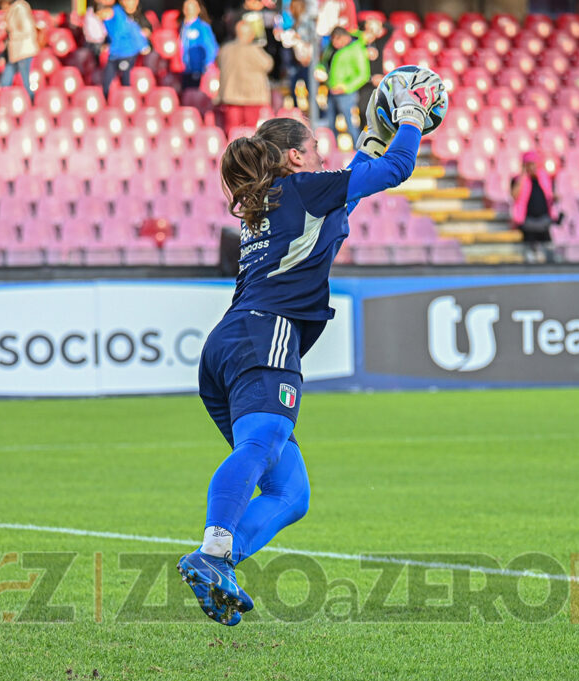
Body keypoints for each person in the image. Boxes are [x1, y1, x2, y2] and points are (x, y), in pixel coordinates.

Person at [175, 73, 439, 627]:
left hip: (231, 343)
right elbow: (393, 170)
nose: (322, 157)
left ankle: (220, 564)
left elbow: (339, 214)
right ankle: (212, 551)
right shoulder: (301, 189)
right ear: (296, 158)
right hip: (263, 335)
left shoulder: (275, 198)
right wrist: (412, 116)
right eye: (315, 148)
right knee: (266, 440)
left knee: (290, 492)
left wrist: (370, 139)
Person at [216, 19, 273, 132]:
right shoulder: (254, 50)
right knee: (250, 133)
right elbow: (268, 64)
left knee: (232, 132)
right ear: (250, 34)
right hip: (252, 98)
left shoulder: (225, 50)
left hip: (230, 97)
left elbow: (218, 64)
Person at [316, 26, 369, 142]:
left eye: (337, 40)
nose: (335, 43)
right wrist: (320, 69)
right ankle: (333, 147)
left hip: (346, 93)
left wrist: (345, 87)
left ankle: (357, 148)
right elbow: (324, 62)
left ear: (345, 38)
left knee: (350, 123)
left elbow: (363, 74)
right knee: (330, 121)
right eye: (333, 40)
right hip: (331, 89)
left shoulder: (356, 49)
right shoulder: (330, 48)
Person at [510, 151, 558, 263]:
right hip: (528, 223)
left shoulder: (544, 179)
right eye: (529, 164)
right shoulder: (518, 180)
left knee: (549, 250)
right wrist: (522, 176)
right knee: (529, 254)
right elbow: (514, 195)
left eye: (534, 164)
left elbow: (550, 196)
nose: (532, 167)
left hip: (543, 221)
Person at [98, 0, 152, 98]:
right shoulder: (116, 11)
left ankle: (127, 103)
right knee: (107, 82)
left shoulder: (136, 19)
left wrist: (143, 45)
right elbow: (102, 17)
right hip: (114, 54)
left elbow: (141, 33)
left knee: (126, 81)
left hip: (128, 54)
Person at [0, 0, 39, 101]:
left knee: (25, 82)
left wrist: (12, 34)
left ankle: (31, 101)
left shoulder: (19, 9)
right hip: (15, 52)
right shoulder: (13, 10)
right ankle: (3, 99)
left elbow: (27, 29)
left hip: (23, 51)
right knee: (6, 79)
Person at [278, 0, 315, 110]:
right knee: (293, 85)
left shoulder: (306, 22)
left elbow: (311, 41)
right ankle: (297, 110)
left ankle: (315, 112)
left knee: (309, 87)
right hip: (296, 59)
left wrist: (308, 56)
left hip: (306, 60)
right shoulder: (293, 22)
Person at [180, 0, 218, 92]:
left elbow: (211, 47)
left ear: (198, 10)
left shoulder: (202, 27)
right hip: (184, 69)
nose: (188, 11)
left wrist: (206, 65)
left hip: (198, 71)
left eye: (192, 8)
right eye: (186, 8)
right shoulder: (182, 27)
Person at [356, 16, 391, 115]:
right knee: (363, 109)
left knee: (378, 109)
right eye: (367, 31)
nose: (370, 35)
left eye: (372, 32)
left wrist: (379, 23)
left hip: (378, 83)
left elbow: (391, 29)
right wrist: (365, 22)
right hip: (365, 83)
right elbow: (353, 30)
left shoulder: (379, 43)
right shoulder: (358, 45)